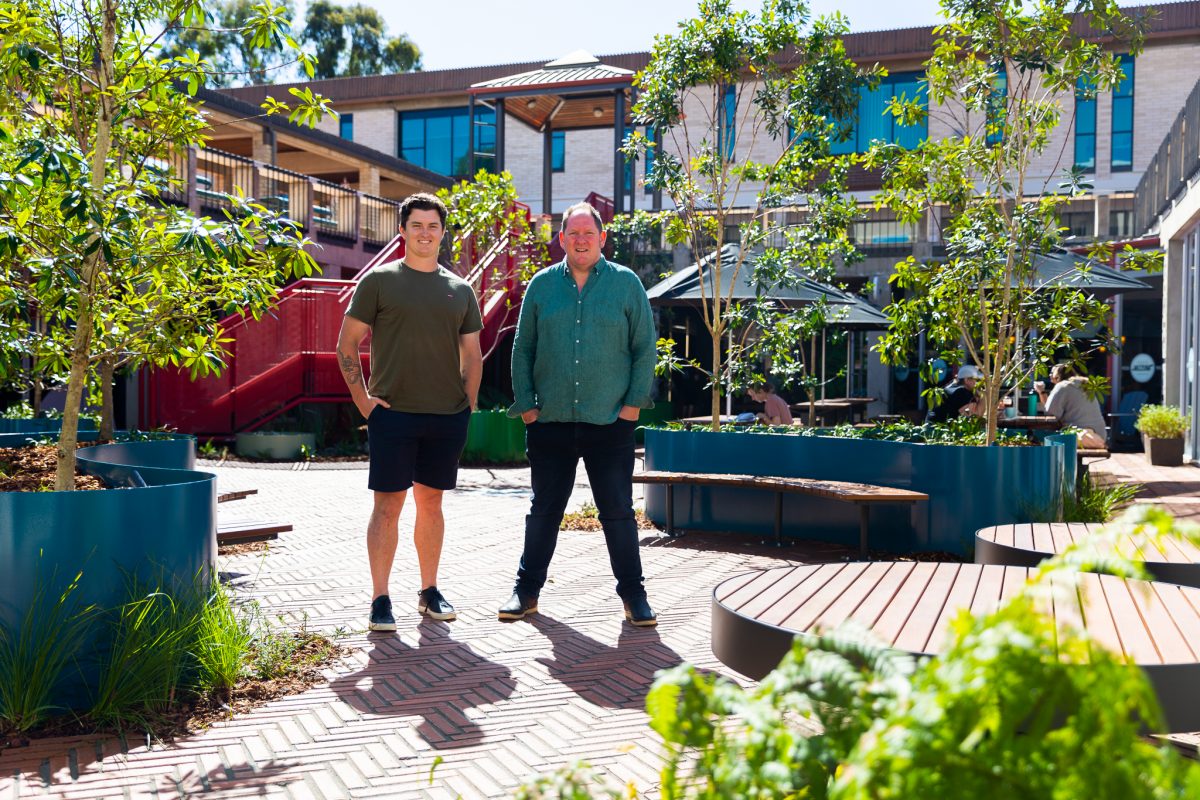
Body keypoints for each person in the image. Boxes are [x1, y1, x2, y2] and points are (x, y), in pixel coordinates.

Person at [499, 202, 658, 626]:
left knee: (618, 513)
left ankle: (634, 597)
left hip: (611, 423)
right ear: (562, 239)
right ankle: (526, 591)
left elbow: (645, 347)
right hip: (549, 421)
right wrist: (528, 409)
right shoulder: (541, 286)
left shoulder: (626, 285)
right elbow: (523, 348)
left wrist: (630, 410)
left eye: (589, 233)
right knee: (544, 511)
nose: (581, 240)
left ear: (603, 238)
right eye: (573, 234)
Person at [336, 192, 483, 631]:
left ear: (442, 232)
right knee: (388, 507)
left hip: (446, 416)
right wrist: (364, 402)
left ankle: (429, 590)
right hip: (393, 415)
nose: (425, 233)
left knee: (432, 505)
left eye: (433, 226)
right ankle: (380, 599)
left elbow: (472, 354)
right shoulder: (379, 281)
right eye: (416, 225)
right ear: (402, 231)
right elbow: (347, 344)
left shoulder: (460, 289)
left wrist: (468, 405)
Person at [1035, 363, 1108, 448]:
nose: (1049, 375)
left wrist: (1041, 392)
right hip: (1100, 435)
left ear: (1056, 376)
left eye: (1051, 373)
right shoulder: (1085, 385)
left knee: (1044, 439)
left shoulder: (1062, 386)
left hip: (1079, 436)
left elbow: (1050, 412)